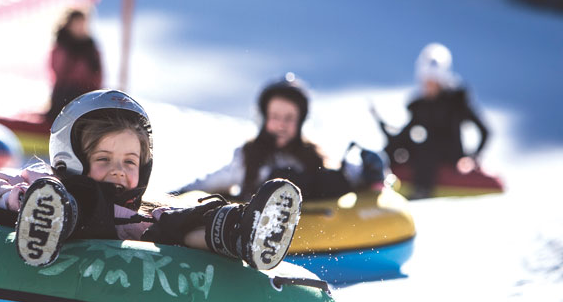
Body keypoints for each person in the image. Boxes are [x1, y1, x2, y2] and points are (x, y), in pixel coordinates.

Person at [0, 89, 302, 272]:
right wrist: (20, 200)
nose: (119, 170)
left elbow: (165, 224)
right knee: (76, 203)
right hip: (65, 209)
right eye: (103, 159)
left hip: (125, 228)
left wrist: (201, 218)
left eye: (130, 161)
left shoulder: (137, 211)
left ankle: (241, 231)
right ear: (71, 158)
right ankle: (47, 221)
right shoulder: (41, 179)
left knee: (171, 220)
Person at [177, 75, 385, 201]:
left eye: (289, 118)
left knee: (325, 179)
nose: (282, 125)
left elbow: (346, 173)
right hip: (267, 234)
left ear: (301, 121)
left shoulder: (311, 155)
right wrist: (181, 194)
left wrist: (370, 170)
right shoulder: (250, 157)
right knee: (280, 177)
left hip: (317, 228)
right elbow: (216, 180)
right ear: (264, 118)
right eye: (275, 117)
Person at [378, 43, 489, 198]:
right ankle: (377, 179)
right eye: (425, 81)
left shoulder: (456, 101)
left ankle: (422, 190)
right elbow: (404, 135)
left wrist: (472, 158)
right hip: (425, 154)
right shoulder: (421, 105)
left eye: (432, 81)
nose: (428, 86)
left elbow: (485, 131)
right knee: (404, 147)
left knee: (426, 146)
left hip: (450, 155)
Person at [45, 9, 103, 122]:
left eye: (83, 23)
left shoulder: (91, 48)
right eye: (77, 23)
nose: (81, 27)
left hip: (87, 97)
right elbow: (59, 71)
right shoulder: (62, 45)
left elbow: (97, 75)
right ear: (69, 24)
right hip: (64, 96)